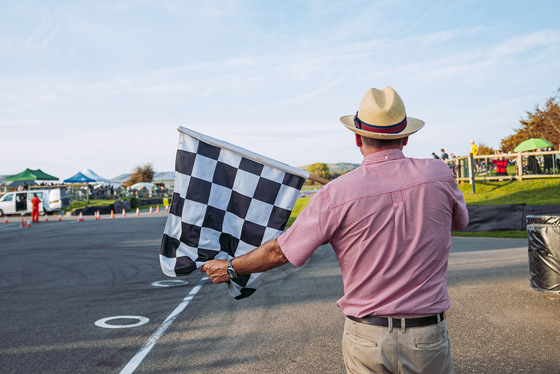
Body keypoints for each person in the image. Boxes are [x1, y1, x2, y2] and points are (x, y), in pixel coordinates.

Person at [202, 86, 469, 374]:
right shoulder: (440, 174)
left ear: (357, 137)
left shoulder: (336, 193)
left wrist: (232, 267)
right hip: (426, 335)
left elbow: (281, 251)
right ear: (405, 137)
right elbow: (460, 221)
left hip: (367, 336)